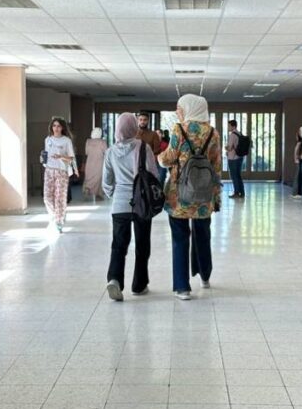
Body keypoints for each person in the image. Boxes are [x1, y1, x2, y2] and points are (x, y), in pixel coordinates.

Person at [158, 94, 221, 301]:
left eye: (180, 108)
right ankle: (204, 276)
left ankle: (183, 287)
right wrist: (216, 196)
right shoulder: (213, 133)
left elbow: (169, 157)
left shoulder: (179, 129)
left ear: (188, 109)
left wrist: (159, 156)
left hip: (180, 195)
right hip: (204, 195)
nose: (178, 111)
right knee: (203, 235)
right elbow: (217, 167)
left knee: (179, 238)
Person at [102, 113, 159, 301]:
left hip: (119, 205)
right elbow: (153, 175)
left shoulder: (110, 152)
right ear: (134, 127)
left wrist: (115, 195)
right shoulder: (144, 148)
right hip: (141, 204)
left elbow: (107, 182)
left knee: (118, 245)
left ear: (118, 129)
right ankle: (139, 284)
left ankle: (115, 280)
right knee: (142, 245)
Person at [42, 117, 77, 233]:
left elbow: (71, 158)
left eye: (58, 126)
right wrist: (42, 158)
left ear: (62, 128)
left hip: (62, 171)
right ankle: (54, 216)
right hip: (49, 170)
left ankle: (59, 222)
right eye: (54, 126)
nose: (56, 128)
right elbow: (46, 154)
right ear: (51, 127)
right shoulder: (48, 139)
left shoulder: (66, 141)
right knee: (47, 197)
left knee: (60, 198)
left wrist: (60, 157)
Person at [83, 127, 108, 200]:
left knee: (89, 177)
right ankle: (99, 194)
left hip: (89, 162)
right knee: (99, 178)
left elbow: (86, 152)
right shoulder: (103, 142)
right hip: (99, 162)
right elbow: (106, 152)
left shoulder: (88, 141)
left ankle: (87, 189)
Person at [226, 119, 246, 199]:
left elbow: (230, 147)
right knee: (238, 175)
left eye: (229, 126)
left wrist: (226, 148)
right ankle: (242, 192)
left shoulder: (232, 135)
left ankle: (236, 193)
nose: (228, 127)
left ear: (233, 126)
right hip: (240, 157)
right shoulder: (239, 133)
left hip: (233, 158)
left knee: (234, 176)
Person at [290, 126, 302, 199]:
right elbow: (296, 153)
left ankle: (298, 192)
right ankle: (296, 192)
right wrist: (297, 159)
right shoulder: (300, 143)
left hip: (299, 161)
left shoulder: (300, 143)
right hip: (299, 161)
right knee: (298, 177)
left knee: (299, 177)